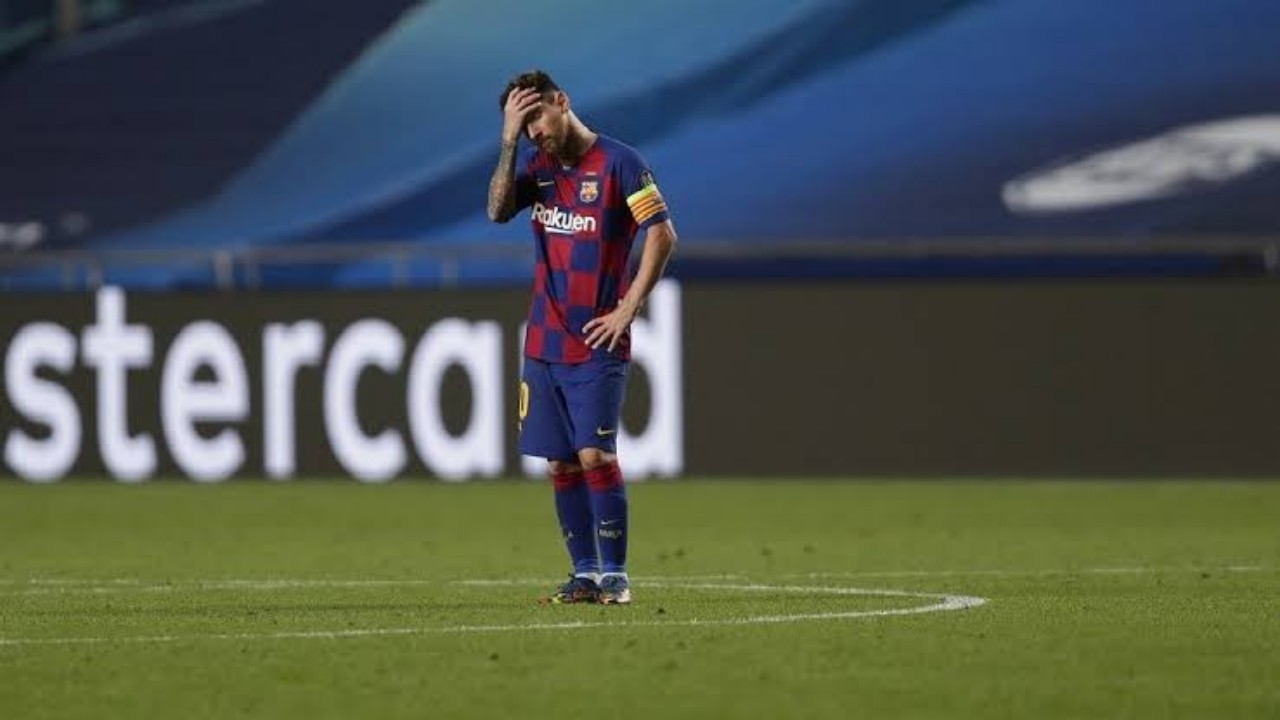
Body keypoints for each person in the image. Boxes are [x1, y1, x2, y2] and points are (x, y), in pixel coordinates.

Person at [487, 70, 678, 605]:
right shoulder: (537, 167)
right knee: (560, 462)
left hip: (597, 341)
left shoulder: (621, 163)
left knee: (595, 455)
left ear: (562, 101)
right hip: (544, 341)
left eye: (535, 118)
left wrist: (629, 307)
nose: (534, 133)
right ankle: (584, 573)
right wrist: (508, 143)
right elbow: (497, 211)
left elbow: (662, 233)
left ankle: (616, 576)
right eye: (522, 127)